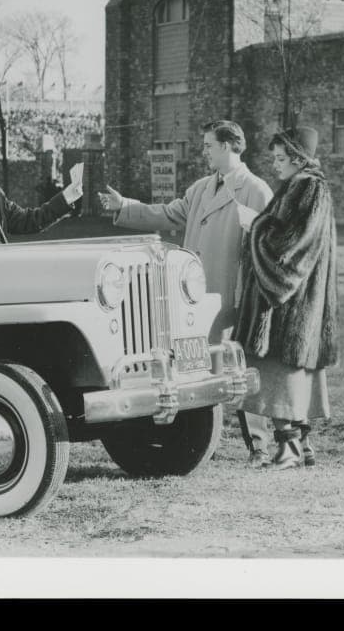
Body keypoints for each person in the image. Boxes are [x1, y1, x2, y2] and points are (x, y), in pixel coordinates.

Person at [97, 120, 274, 463]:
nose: (204, 151)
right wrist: (124, 207)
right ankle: (194, 439)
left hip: (232, 298)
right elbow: (167, 214)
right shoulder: (201, 189)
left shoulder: (256, 190)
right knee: (194, 368)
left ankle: (260, 445)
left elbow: (267, 248)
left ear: (227, 146)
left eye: (209, 145)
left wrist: (248, 295)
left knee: (239, 365)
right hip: (193, 298)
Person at [233, 126, 339, 470]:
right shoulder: (303, 187)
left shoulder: (307, 189)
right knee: (291, 378)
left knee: (275, 376)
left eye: (281, 158)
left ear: (298, 159)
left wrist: (255, 227)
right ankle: (302, 447)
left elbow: (288, 249)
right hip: (301, 304)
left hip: (287, 306)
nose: (275, 165)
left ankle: (289, 448)